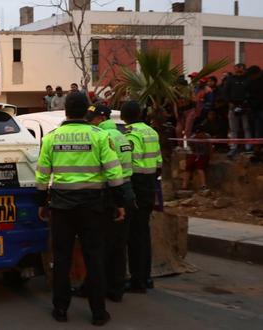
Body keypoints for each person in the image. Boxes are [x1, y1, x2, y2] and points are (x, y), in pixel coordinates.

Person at [36, 93, 126, 326]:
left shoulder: (52, 138)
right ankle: (98, 312)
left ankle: (60, 309)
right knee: (94, 257)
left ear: (65, 110)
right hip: (92, 206)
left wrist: (41, 203)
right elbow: (114, 173)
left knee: (62, 258)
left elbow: (42, 174)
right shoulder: (100, 136)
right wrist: (119, 203)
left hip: (61, 206)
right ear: (87, 110)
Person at [86, 104, 135, 302]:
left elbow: (107, 171)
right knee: (119, 245)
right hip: (126, 190)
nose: (90, 121)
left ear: (101, 118)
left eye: (92, 118)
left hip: (110, 193)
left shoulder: (103, 137)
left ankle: (97, 288)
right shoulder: (121, 135)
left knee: (101, 245)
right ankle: (116, 289)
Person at [121, 101, 162, 293]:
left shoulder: (131, 134)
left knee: (134, 235)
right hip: (150, 183)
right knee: (143, 233)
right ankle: (146, 277)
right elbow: (159, 162)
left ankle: (137, 280)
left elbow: (130, 161)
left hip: (136, 184)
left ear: (123, 116)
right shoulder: (151, 132)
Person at [225, 63, 253, 158]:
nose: (238, 73)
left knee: (247, 127)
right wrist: (229, 102)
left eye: (240, 71)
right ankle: (233, 147)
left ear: (244, 70)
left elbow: (252, 93)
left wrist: (247, 103)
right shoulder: (230, 79)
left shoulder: (249, 79)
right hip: (233, 106)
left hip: (245, 106)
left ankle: (248, 147)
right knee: (233, 128)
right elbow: (225, 92)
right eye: (236, 70)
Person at [181, 125, 212, 191]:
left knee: (200, 168)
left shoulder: (207, 137)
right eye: (198, 133)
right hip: (194, 154)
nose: (199, 135)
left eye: (200, 133)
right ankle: (184, 186)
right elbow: (190, 148)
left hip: (203, 155)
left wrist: (210, 157)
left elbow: (209, 149)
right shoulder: (193, 137)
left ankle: (203, 185)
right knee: (188, 167)